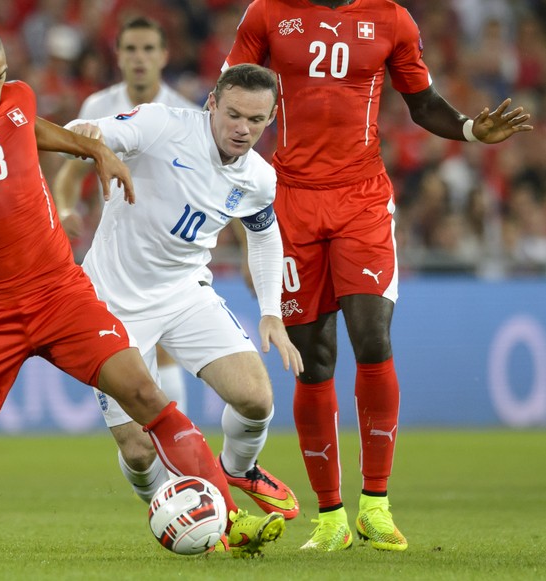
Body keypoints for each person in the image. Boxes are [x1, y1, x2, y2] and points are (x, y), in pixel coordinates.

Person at [0, 20, 283, 559]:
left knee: (148, 396)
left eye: (0, 78)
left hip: (61, 293)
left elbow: (32, 127)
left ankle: (232, 524)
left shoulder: (17, 99)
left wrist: (93, 151)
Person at [224, 0, 534, 552]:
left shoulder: (392, 19)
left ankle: (375, 505)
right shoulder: (267, 13)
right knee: (314, 360)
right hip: (291, 200)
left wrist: (467, 127)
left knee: (373, 337)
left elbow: (421, 103)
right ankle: (331, 519)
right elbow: (231, 97)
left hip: (361, 200)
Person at [66, 63, 305, 525]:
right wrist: (87, 132)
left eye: (256, 120)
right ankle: (179, 516)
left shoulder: (258, 177)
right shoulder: (162, 125)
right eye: (233, 114)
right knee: (138, 450)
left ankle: (239, 469)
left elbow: (264, 234)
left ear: (271, 118)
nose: (242, 129)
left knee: (256, 398)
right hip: (110, 303)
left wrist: (271, 312)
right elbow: (93, 133)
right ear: (211, 103)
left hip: (184, 294)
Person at [52, 16, 199, 463]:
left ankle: (179, 467)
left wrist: (249, 252)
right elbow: (70, 172)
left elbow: (210, 185)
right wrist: (63, 206)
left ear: (164, 55)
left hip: (170, 254)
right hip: (117, 254)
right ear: (118, 56)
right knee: (134, 362)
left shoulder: (185, 111)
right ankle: (160, 465)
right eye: (131, 49)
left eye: (148, 49)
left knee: (166, 357)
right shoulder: (99, 104)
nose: (140, 58)